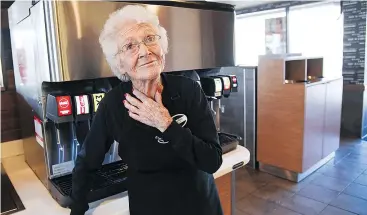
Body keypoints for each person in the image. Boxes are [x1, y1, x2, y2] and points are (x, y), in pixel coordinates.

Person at [70, 4, 223, 215]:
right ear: (120, 64)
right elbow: (87, 161)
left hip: (199, 205)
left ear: (163, 48)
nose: (144, 51)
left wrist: (166, 124)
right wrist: (77, 207)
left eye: (150, 39)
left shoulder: (188, 90)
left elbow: (212, 160)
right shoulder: (113, 104)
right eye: (130, 46)